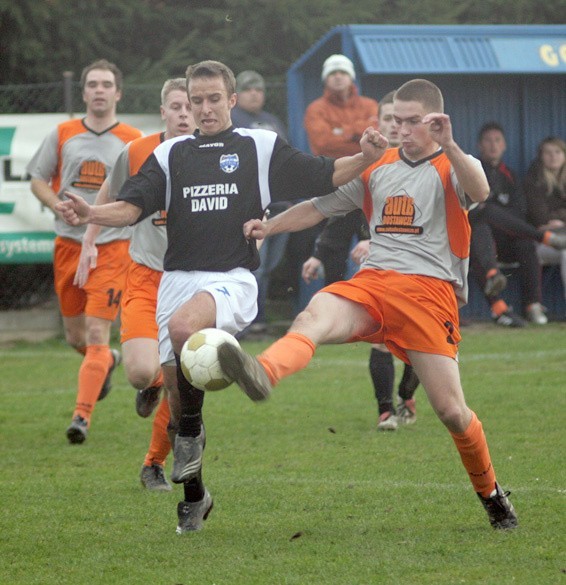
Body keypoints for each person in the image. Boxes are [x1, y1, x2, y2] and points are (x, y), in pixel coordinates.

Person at [55, 60, 387, 534]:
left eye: (214, 99)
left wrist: (365, 157)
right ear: (187, 103)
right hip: (176, 281)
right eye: (197, 100)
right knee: (178, 398)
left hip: (232, 277)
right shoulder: (170, 156)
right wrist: (92, 211)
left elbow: (321, 175)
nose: (205, 108)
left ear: (232, 101)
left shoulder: (260, 146)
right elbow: (132, 207)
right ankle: (195, 495)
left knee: (184, 330)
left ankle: (231, 372)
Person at [219, 79, 518, 531]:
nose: (400, 129)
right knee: (313, 315)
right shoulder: (377, 165)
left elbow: (480, 192)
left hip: (428, 293)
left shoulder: (452, 163)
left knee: (453, 412)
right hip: (375, 282)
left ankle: (492, 494)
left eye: (412, 122)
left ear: (436, 122)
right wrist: (269, 226)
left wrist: (451, 144)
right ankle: (264, 371)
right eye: (395, 120)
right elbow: (319, 207)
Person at [74, 78, 196, 490]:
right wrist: (90, 239)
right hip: (145, 275)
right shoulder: (138, 151)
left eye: (190, 107)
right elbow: (111, 191)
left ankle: (153, 464)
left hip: (194, 280)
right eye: (176, 107)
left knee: (182, 377)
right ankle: (155, 382)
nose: (184, 114)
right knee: (143, 373)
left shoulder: (218, 154)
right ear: (163, 111)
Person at [27, 59, 142, 444]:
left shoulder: (131, 138)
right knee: (76, 337)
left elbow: (139, 192)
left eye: (106, 84)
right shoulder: (62, 133)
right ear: (84, 92)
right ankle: (106, 360)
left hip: (112, 248)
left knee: (96, 332)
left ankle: (81, 417)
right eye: (92, 84)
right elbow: (37, 180)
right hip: (68, 246)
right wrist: (54, 202)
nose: (99, 90)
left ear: (118, 93)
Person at [302, 91, 419, 431]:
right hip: (380, 272)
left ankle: (406, 394)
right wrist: (318, 254)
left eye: (402, 120)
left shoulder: (429, 166)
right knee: (381, 339)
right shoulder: (368, 168)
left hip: (423, 274)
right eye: (388, 120)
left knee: (418, 345)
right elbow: (340, 213)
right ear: (378, 124)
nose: (394, 127)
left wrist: (376, 239)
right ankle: (386, 411)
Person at [283, 54, 380, 314]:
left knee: (375, 246)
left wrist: (342, 131)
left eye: (343, 72)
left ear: (351, 77)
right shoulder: (316, 108)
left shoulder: (370, 104)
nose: (338, 76)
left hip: (368, 182)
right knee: (333, 249)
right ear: (326, 78)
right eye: (333, 72)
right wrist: (356, 134)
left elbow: (375, 133)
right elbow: (323, 143)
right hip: (333, 182)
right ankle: (335, 312)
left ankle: (372, 309)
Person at [468, 122, 566, 327]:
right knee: (480, 224)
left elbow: (520, 212)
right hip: (474, 240)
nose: (493, 145)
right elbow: (469, 210)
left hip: (506, 240)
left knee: (524, 244)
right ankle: (544, 239)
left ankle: (532, 306)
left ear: (504, 145)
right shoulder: (471, 170)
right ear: (479, 145)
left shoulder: (511, 176)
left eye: (497, 140)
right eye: (488, 140)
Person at [231, 70, 290, 336]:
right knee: (254, 265)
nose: (254, 94)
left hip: (281, 204)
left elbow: (287, 158)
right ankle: (246, 322)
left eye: (259, 89)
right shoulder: (234, 119)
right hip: (253, 206)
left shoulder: (272, 121)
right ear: (237, 94)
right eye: (248, 89)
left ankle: (259, 318)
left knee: (269, 268)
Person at [524, 136, 566, 309]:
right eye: (548, 152)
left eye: (557, 152)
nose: (553, 156)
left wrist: (559, 220)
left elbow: (549, 218)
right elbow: (539, 217)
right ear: (541, 156)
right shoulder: (534, 180)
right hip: (542, 243)